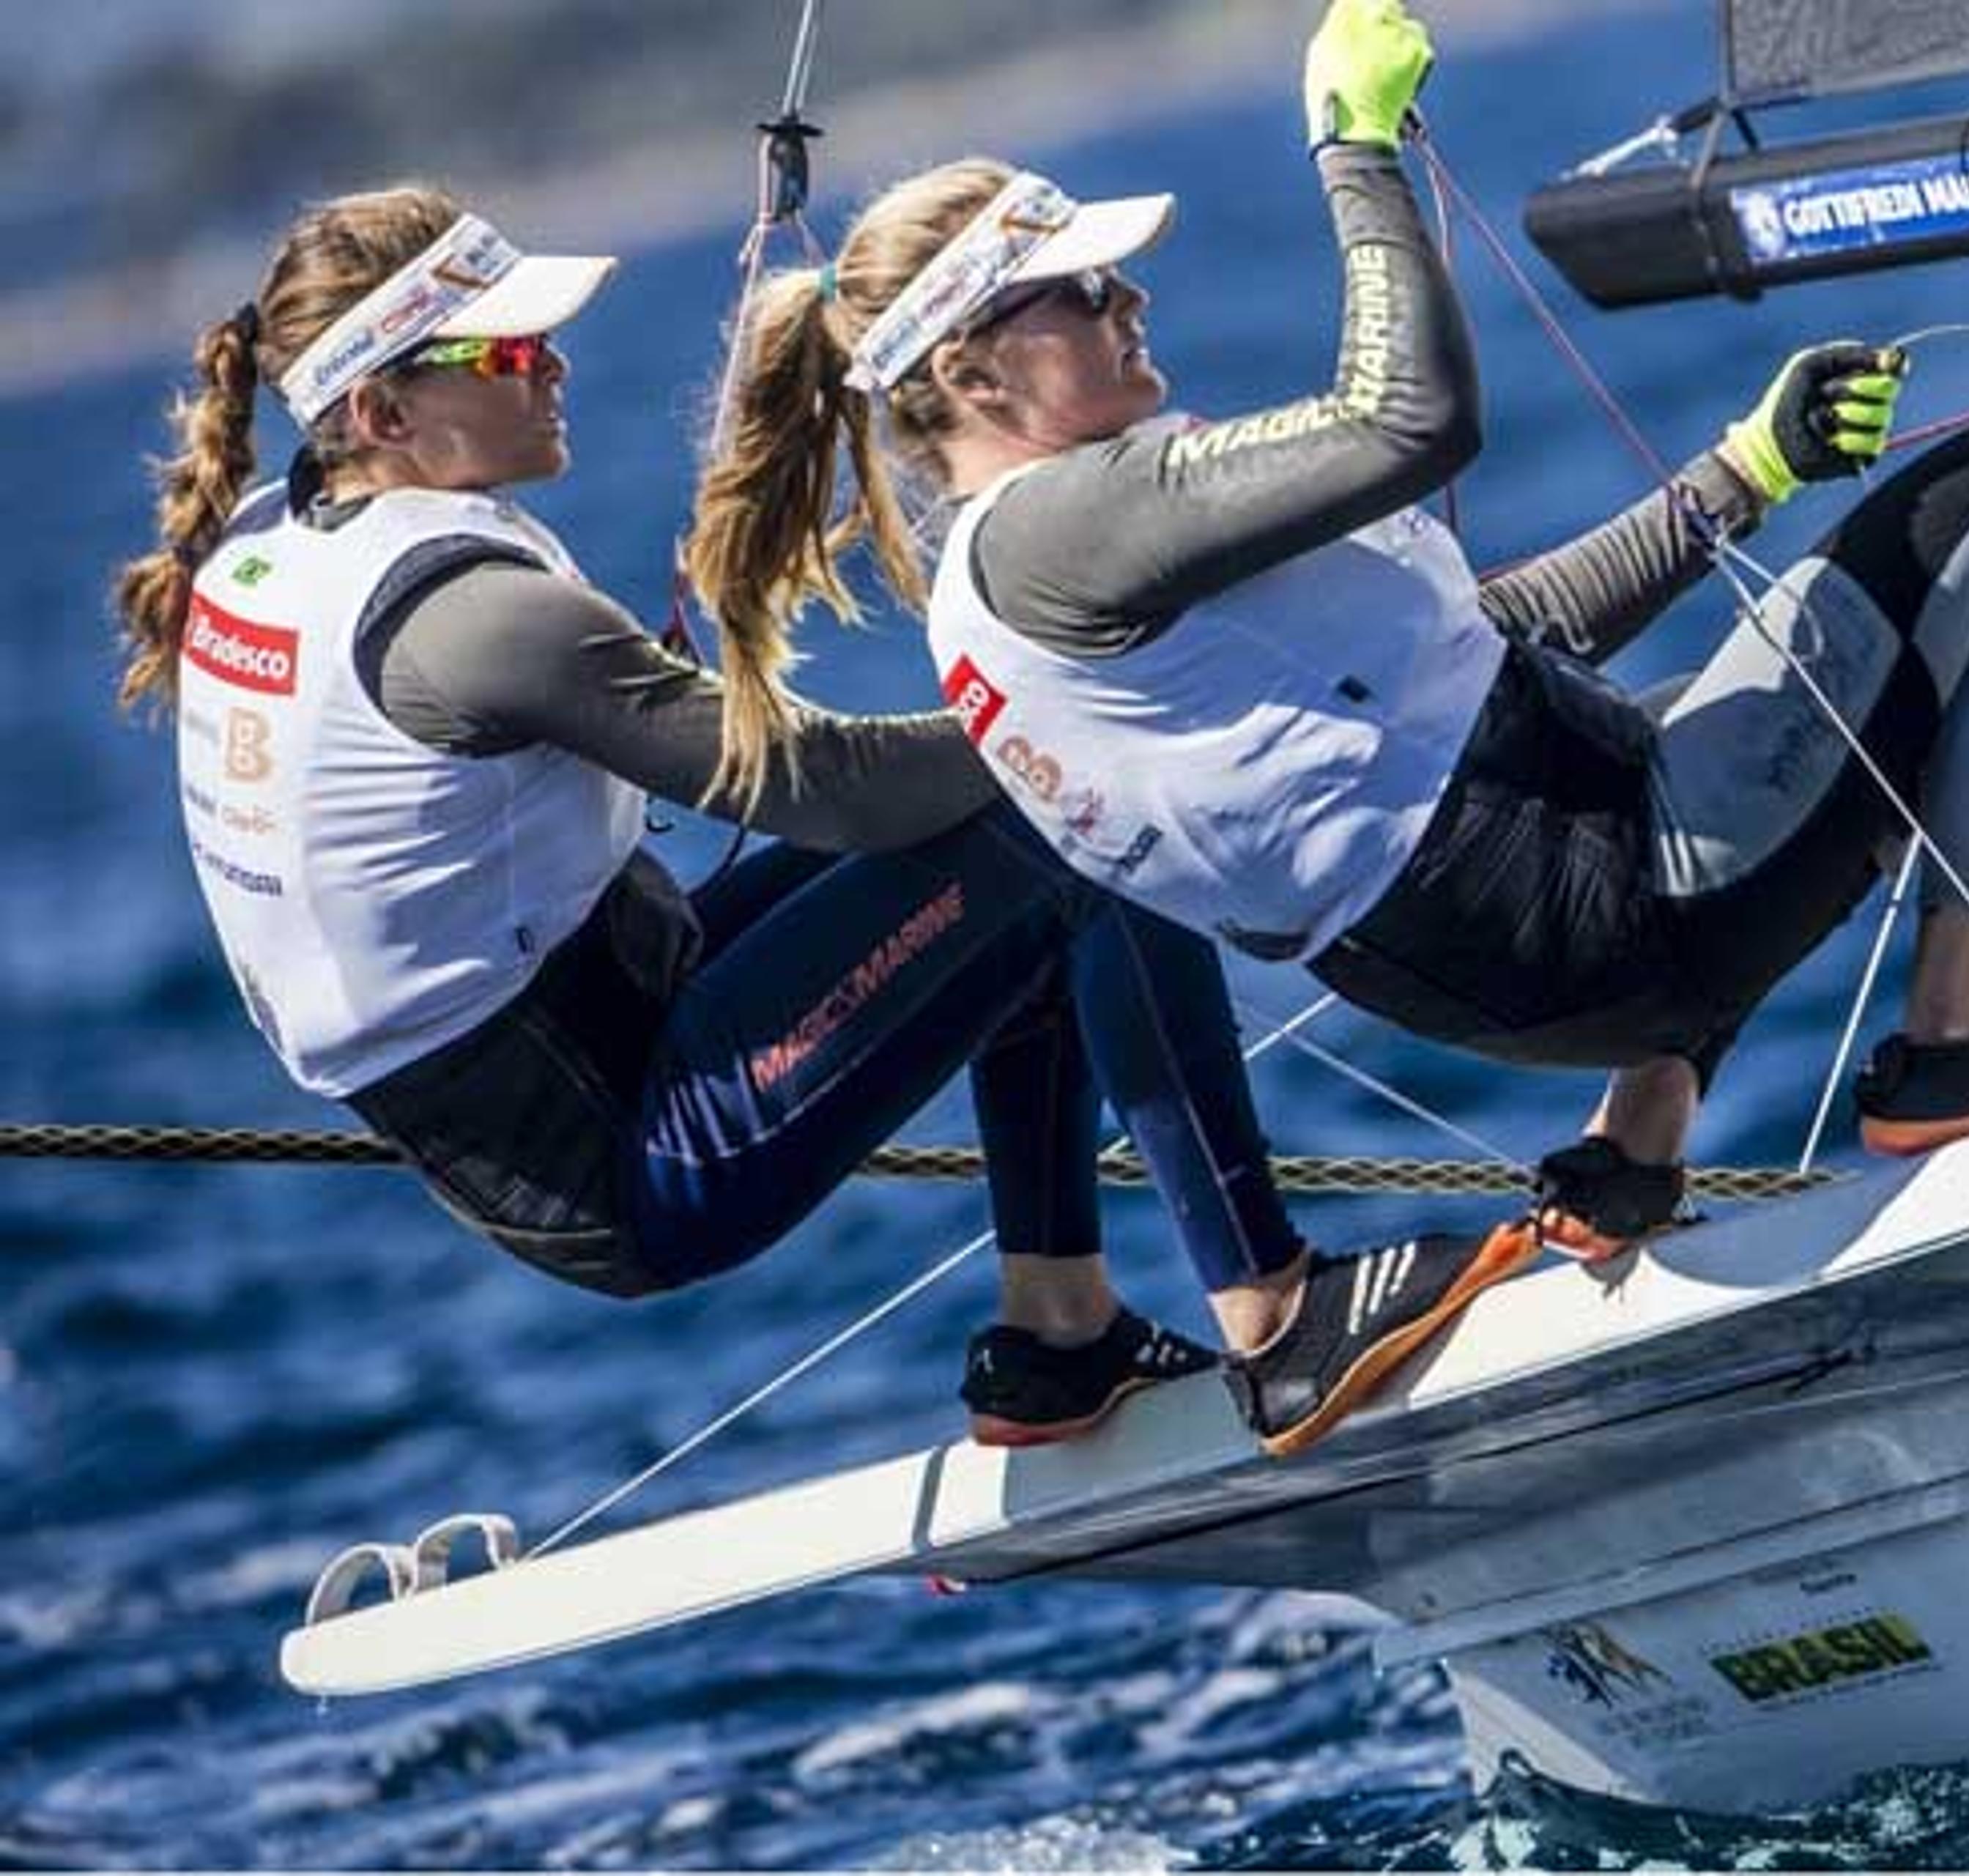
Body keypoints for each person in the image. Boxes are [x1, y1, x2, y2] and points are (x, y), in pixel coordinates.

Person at [698, 0, 1969, 1352]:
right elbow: (1409, 419)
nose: (1126, 293)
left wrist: (1744, 473)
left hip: (1519, 952)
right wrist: (1353, 149)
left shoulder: (1015, 582)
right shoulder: (1067, 526)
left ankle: (1632, 1150)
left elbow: (1492, 649)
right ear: (974, 370)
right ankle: (1955, 1057)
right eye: (1074, 287)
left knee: (1741, 699)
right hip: (1599, 909)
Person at [114, 182, 1532, 1463]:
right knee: (1066, 825)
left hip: (590, 1029)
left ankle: (1061, 1343)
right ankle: (1278, 1322)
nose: (550, 364)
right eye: (500, 351)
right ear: (377, 414)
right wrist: (1086, 705)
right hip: (618, 1157)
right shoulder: (472, 623)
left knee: (1021, 853)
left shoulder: (277, 529)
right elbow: (831, 789)